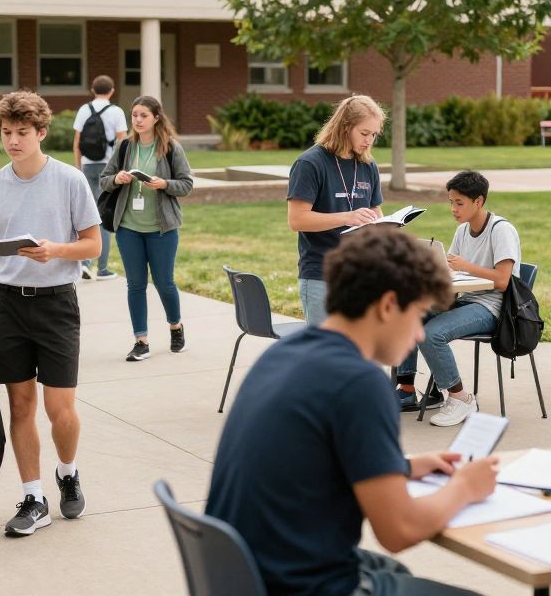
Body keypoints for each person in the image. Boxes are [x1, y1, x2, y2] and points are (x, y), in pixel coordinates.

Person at [207, 227, 498, 596]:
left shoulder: (284, 353)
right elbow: (400, 530)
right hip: (302, 587)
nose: (420, 334)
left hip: (242, 576)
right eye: (419, 315)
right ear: (388, 305)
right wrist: (464, 487)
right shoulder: (359, 383)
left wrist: (400, 466)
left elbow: (312, 458)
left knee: (392, 572)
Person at [0, 91, 102, 536]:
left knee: (60, 409)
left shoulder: (70, 180)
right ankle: (33, 498)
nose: (13, 141)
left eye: (22, 132)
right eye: (6, 133)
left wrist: (55, 250)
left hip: (56, 303)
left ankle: (68, 470)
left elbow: (93, 245)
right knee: (20, 405)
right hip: (8, 306)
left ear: (41, 132)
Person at [395, 170, 521, 427]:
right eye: (451, 202)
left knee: (431, 333)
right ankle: (406, 389)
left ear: (479, 201)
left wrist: (467, 266)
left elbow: (503, 281)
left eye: (459, 203)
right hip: (466, 299)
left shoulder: (501, 230)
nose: (453, 209)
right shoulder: (463, 231)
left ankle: (461, 398)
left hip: (493, 307)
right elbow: (451, 270)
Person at [99, 95, 193, 362]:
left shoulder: (171, 147)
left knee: (164, 283)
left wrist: (164, 184)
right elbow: (104, 180)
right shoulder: (125, 147)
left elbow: (186, 184)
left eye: (143, 115)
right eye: (134, 115)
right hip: (128, 227)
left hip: (161, 229)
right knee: (135, 285)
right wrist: (117, 178)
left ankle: (176, 327)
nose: (138, 120)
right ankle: (141, 341)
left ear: (156, 118)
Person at [287, 94, 385, 325]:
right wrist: (347, 217)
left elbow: (375, 209)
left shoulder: (368, 165)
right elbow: (297, 220)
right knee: (326, 346)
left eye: (374, 134)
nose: (369, 140)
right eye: (364, 133)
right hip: (322, 275)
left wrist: (383, 223)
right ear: (345, 127)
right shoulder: (310, 163)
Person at [72, 75, 128, 281]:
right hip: (108, 168)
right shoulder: (116, 111)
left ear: (92, 90)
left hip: (87, 165)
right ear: (112, 91)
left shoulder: (83, 110)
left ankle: (85, 263)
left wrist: (78, 166)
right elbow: (122, 141)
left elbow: (77, 142)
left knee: (88, 213)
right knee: (104, 213)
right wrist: (121, 168)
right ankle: (102, 269)